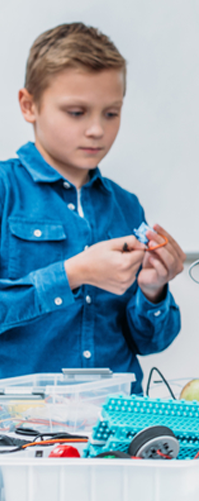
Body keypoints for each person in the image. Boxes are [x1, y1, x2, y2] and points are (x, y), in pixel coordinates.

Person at [0, 23, 184, 393]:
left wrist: (153, 290)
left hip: (116, 422)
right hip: (22, 428)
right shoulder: (6, 190)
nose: (97, 130)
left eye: (111, 113)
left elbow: (150, 342)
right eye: (77, 112)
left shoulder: (126, 205)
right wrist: (72, 273)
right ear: (28, 105)